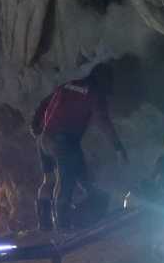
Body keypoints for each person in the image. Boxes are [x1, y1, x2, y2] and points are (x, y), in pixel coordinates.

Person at [31, 63, 128, 231]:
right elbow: (104, 122)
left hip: (45, 138)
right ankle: (63, 227)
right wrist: (118, 147)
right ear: (103, 80)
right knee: (65, 183)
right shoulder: (95, 94)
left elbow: (44, 102)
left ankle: (44, 225)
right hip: (64, 142)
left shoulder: (69, 85)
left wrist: (35, 125)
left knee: (49, 180)